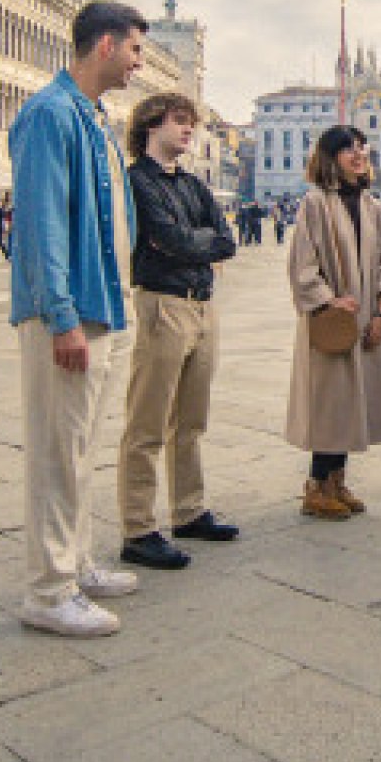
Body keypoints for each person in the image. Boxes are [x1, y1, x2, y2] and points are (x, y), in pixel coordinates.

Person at [9, 0, 149, 637]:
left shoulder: (94, 118)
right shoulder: (49, 115)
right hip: (71, 313)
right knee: (58, 451)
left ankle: (77, 562)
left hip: (105, 307)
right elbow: (39, 227)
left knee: (83, 448)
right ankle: (48, 589)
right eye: (136, 50)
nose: (139, 63)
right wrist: (61, 315)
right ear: (106, 46)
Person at [117, 93, 240, 570]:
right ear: (151, 124)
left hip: (203, 305)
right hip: (163, 303)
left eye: (192, 123)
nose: (189, 131)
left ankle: (188, 509)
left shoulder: (192, 183)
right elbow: (167, 238)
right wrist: (194, 243)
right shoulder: (137, 181)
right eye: (179, 122)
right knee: (147, 421)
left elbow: (224, 240)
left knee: (192, 418)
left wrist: (194, 244)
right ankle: (138, 527)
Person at [286, 125, 381, 520]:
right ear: (330, 157)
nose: (358, 155)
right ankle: (316, 486)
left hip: (366, 317)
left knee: (354, 402)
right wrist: (328, 301)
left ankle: (336, 480)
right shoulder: (316, 203)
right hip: (332, 321)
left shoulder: (372, 206)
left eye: (361, 148)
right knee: (331, 402)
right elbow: (303, 265)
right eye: (348, 149)